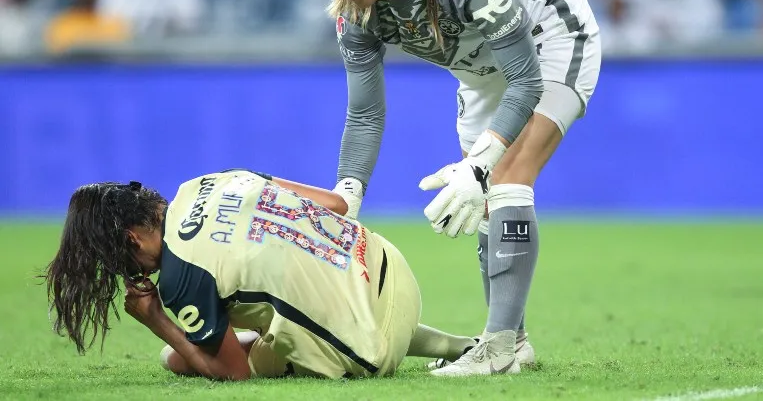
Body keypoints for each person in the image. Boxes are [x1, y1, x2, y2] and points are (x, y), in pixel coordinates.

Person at [329, 0, 602, 376]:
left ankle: (495, 347)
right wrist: (347, 197)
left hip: (551, 37)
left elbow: (527, 80)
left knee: (506, 178)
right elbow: (365, 114)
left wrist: (478, 166)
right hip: (479, 70)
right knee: (481, 203)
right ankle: (514, 343)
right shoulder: (356, 9)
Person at [44, 169, 476, 380]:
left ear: (132, 239)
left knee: (175, 359)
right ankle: (458, 346)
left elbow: (234, 375)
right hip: (392, 268)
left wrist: (157, 319)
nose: (129, 271)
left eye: (120, 259)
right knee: (313, 293)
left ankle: (397, 342)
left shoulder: (179, 276)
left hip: (370, 350)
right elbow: (336, 205)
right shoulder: (210, 180)